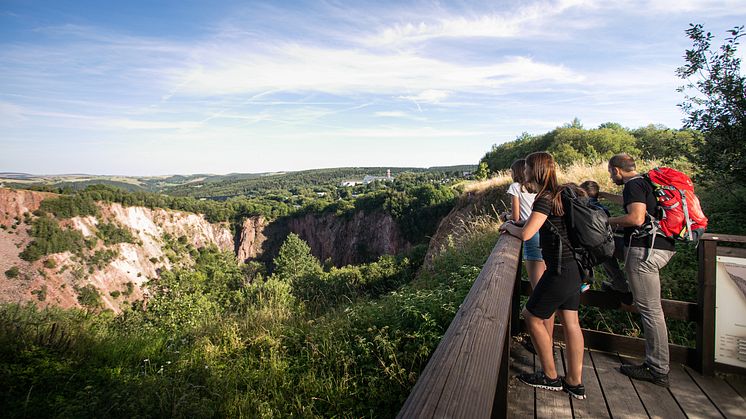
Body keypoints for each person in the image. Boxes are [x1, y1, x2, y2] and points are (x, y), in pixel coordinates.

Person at [500, 151, 586, 400]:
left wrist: (507, 226)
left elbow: (527, 233)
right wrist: (517, 225)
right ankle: (574, 382)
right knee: (571, 323)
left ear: (534, 170)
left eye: (526, 168)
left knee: (532, 316)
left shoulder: (544, 197)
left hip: (559, 270)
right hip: (574, 269)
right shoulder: (561, 193)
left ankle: (550, 376)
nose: (524, 172)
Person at [607, 153, 675, 387]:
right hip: (660, 247)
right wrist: (605, 197)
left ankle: (657, 368)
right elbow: (641, 207)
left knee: (651, 311)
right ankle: (621, 286)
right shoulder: (644, 182)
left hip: (644, 251)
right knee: (602, 248)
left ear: (617, 170)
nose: (610, 176)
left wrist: (607, 222)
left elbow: (636, 218)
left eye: (610, 172)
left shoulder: (632, 186)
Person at [506, 159, 549, 342]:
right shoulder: (538, 188)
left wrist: (506, 222)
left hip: (532, 236)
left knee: (539, 292)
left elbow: (516, 217)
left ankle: (544, 341)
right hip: (545, 234)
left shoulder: (515, 187)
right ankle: (548, 338)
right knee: (545, 292)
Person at [579, 180, 631, 303]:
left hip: (593, 244)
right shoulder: (602, 208)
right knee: (608, 257)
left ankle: (584, 285)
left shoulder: (583, 206)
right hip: (608, 241)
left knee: (600, 258)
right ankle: (621, 286)